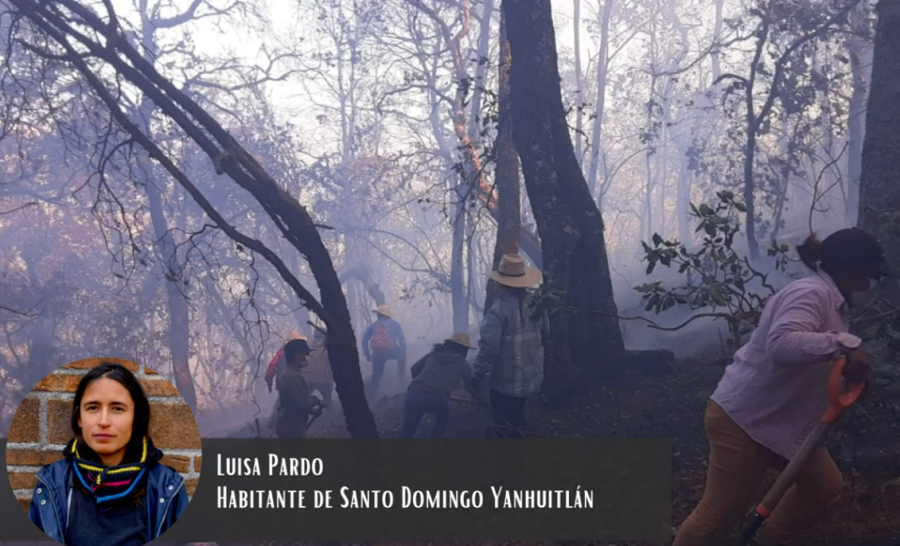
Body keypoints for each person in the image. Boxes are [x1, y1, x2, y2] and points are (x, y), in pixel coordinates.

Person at [673, 228, 890, 546]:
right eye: (869, 274)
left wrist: (852, 376)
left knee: (823, 487)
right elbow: (782, 344)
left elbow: (814, 354)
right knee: (716, 517)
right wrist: (846, 343)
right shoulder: (811, 293)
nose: (870, 284)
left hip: (782, 424)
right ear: (851, 269)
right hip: (745, 420)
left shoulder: (834, 305)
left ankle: (767, 540)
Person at [28, 362, 188, 546]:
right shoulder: (52, 484)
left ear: (136, 418)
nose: (103, 421)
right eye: (93, 408)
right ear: (79, 417)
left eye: (117, 408)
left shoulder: (168, 487)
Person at [471, 253, 549, 438]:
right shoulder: (536, 305)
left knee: (504, 423)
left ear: (500, 283)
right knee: (517, 415)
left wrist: (478, 374)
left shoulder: (498, 310)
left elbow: (489, 348)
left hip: (504, 383)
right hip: (531, 377)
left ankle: (508, 459)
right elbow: (546, 334)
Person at [401, 332, 478, 438]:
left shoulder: (433, 355)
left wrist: (422, 386)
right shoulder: (463, 365)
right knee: (444, 417)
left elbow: (414, 369)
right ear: (462, 349)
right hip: (436, 396)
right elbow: (471, 388)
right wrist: (481, 399)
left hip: (413, 393)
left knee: (407, 431)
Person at [274, 338, 326, 439]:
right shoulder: (293, 376)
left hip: (290, 425)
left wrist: (312, 411)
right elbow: (301, 402)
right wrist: (316, 400)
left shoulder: (289, 373)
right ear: (297, 357)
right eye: (305, 355)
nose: (307, 358)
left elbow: (294, 400)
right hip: (290, 427)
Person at [361, 304, 407, 395]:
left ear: (378, 314)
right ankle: (402, 383)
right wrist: (403, 353)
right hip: (392, 351)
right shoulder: (395, 324)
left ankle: (372, 395)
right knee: (402, 358)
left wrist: (367, 354)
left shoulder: (373, 325)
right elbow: (402, 340)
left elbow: (364, 340)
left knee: (376, 376)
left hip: (378, 353)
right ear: (388, 314)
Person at [305, 328, 334, 405]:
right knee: (327, 399)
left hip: (306, 379)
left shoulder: (308, 346)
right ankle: (329, 410)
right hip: (323, 379)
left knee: (304, 399)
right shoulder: (327, 348)